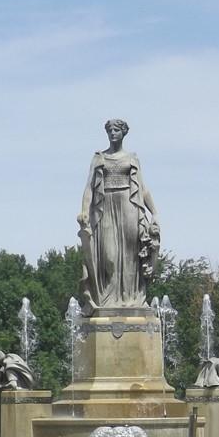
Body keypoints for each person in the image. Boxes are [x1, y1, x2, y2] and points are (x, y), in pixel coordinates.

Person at [78, 119, 160, 310]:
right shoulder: (99, 157)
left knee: (131, 255)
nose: (112, 133)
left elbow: (143, 188)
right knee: (109, 256)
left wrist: (154, 212)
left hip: (129, 205)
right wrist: (84, 210)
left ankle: (130, 299)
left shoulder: (132, 158)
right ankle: (106, 301)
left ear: (124, 133)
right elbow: (89, 187)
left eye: (116, 130)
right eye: (109, 130)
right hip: (105, 207)